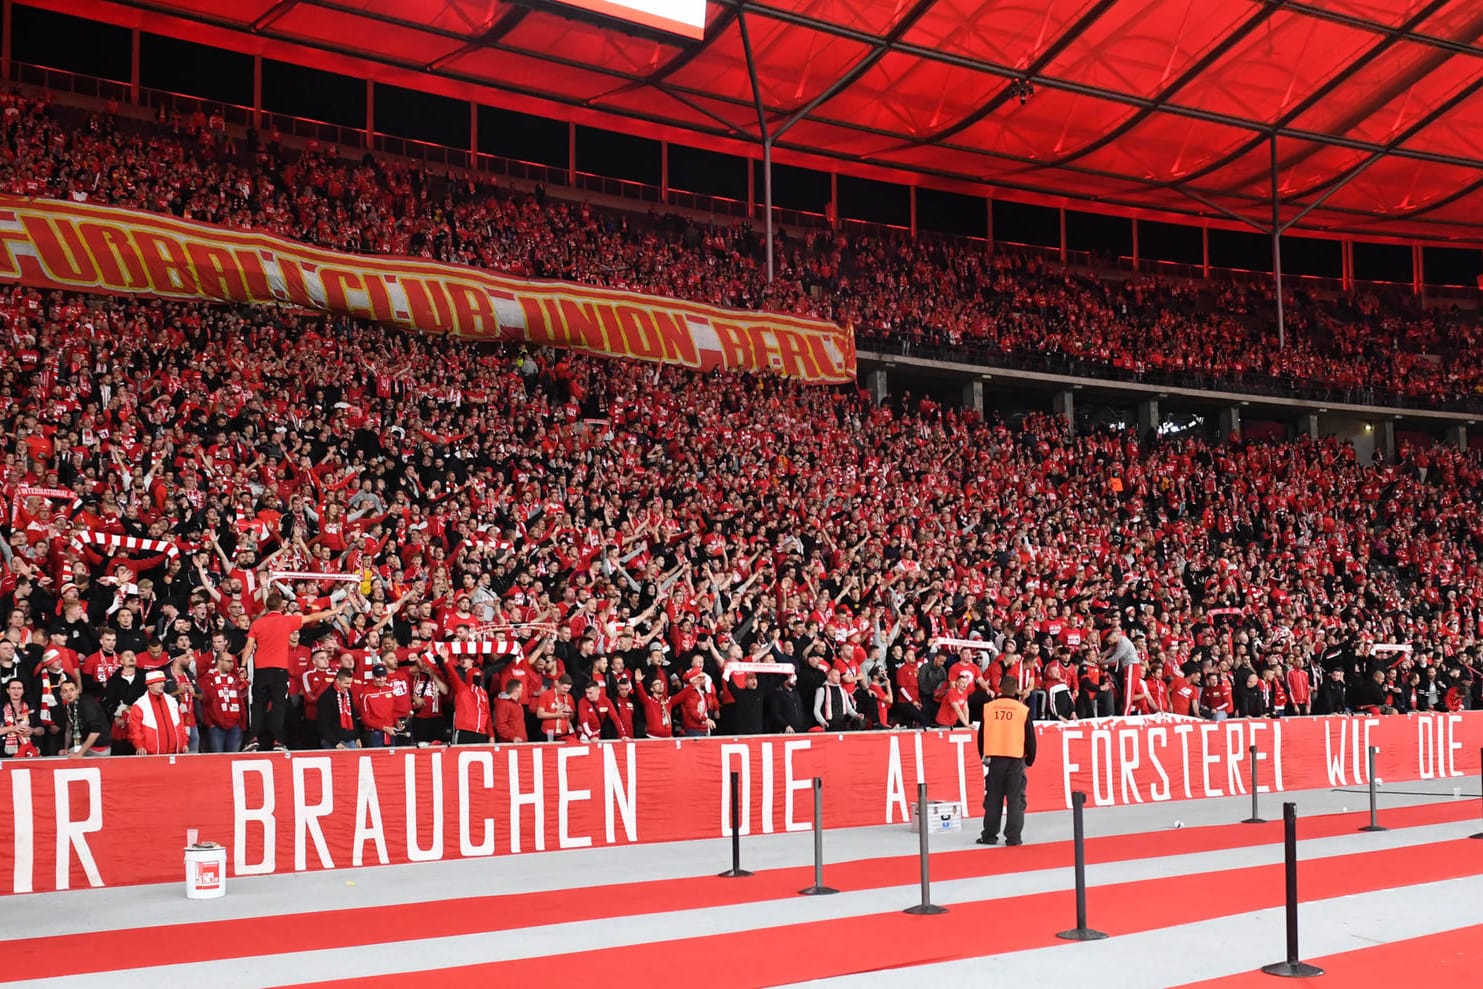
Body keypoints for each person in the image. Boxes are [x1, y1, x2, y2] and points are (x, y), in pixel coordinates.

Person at [242, 592, 342, 752]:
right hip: (280, 671)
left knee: (258, 706)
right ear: (282, 607)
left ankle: (253, 739)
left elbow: (248, 647)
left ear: (267, 607)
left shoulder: (257, 624)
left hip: (261, 670)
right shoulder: (287, 620)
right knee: (279, 707)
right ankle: (278, 742)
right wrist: (335, 611)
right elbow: (312, 617)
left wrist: (242, 665)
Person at [976, 676, 1037, 847]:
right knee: (1016, 800)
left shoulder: (988, 708)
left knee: (993, 799)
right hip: (1015, 758)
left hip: (995, 759)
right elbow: (1030, 739)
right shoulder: (1022, 710)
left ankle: (989, 835)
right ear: (1016, 689)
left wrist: (984, 754)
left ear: (1000, 688)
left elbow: (981, 735)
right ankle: (1013, 837)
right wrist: (1030, 759)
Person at [127, 669, 188, 755]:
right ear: (149, 685)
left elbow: (181, 724)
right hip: (151, 756)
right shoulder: (140, 705)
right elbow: (135, 729)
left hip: (175, 753)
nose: (162, 684)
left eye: (163, 682)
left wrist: (184, 743)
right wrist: (139, 745)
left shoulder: (172, 701)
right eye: (158, 682)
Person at [199, 652, 248, 755]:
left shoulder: (235, 679)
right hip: (216, 726)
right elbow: (206, 701)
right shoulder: (208, 679)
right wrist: (210, 723)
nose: (232, 664)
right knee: (218, 760)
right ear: (219, 662)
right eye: (229, 661)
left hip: (235, 725)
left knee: (233, 759)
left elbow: (242, 701)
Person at [57, 679, 111, 758]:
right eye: (65, 691)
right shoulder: (67, 706)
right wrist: (66, 749)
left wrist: (80, 754)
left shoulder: (86, 703)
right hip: (83, 746)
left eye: (71, 690)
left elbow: (95, 731)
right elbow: (68, 730)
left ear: (77, 691)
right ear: (61, 694)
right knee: (63, 755)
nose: (69, 694)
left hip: (99, 749)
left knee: (68, 758)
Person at [317, 668, 361, 749]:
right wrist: (335, 743)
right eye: (346, 683)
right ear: (337, 681)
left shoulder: (348, 693)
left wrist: (357, 737)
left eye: (350, 683)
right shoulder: (326, 697)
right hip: (333, 741)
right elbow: (323, 723)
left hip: (349, 738)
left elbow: (352, 715)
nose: (349, 686)